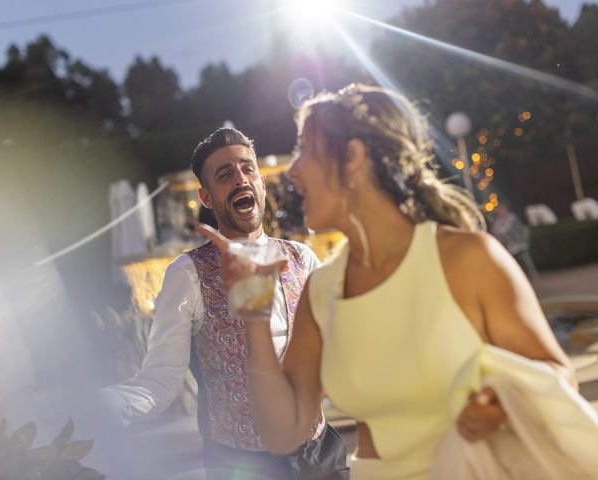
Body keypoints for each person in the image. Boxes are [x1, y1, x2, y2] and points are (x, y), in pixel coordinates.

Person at [198, 85, 577, 479]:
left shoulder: (467, 258)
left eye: (306, 150)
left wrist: (503, 403)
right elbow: (282, 434)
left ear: (353, 158)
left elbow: (556, 377)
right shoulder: (323, 290)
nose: (293, 171)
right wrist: (254, 311)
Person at [107, 127, 349, 480]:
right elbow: (160, 380)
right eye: (225, 174)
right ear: (206, 197)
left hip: (320, 454)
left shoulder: (303, 258)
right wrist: (102, 407)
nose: (240, 179)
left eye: (248, 169)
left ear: (262, 184)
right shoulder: (186, 273)